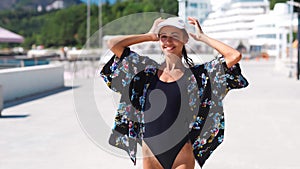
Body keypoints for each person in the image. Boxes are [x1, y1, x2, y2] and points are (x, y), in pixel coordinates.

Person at [100, 16, 249, 169]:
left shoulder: (199, 76)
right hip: (151, 152)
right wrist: (150, 35)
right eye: (163, 37)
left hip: (181, 154)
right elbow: (113, 44)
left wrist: (202, 37)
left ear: (185, 39)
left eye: (174, 36)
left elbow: (234, 56)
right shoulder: (145, 72)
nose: (168, 41)